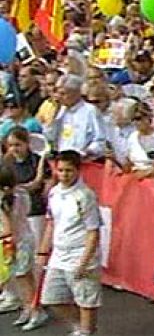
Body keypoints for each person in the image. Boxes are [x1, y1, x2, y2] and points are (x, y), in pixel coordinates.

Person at [37, 150, 102, 336]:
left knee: (85, 300)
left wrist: (84, 262)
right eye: (60, 170)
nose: (64, 175)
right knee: (51, 299)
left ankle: (86, 331)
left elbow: (93, 232)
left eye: (69, 171)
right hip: (59, 255)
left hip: (80, 253)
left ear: (78, 171)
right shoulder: (54, 193)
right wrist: (43, 252)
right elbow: (51, 223)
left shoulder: (85, 196)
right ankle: (80, 327)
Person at [0, 165, 49, 331]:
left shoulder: (4, 202)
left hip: (14, 243)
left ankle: (35, 310)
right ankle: (30, 308)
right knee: (25, 277)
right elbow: (35, 182)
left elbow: (7, 230)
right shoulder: (21, 192)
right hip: (25, 239)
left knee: (22, 279)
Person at [46, 74, 107, 160]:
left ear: (76, 93)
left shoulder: (90, 111)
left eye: (63, 93)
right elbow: (49, 136)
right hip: (61, 159)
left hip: (83, 159)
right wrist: (54, 116)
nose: (59, 97)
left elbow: (100, 139)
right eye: (57, 93)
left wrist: (87, 152)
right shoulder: (59, 110)